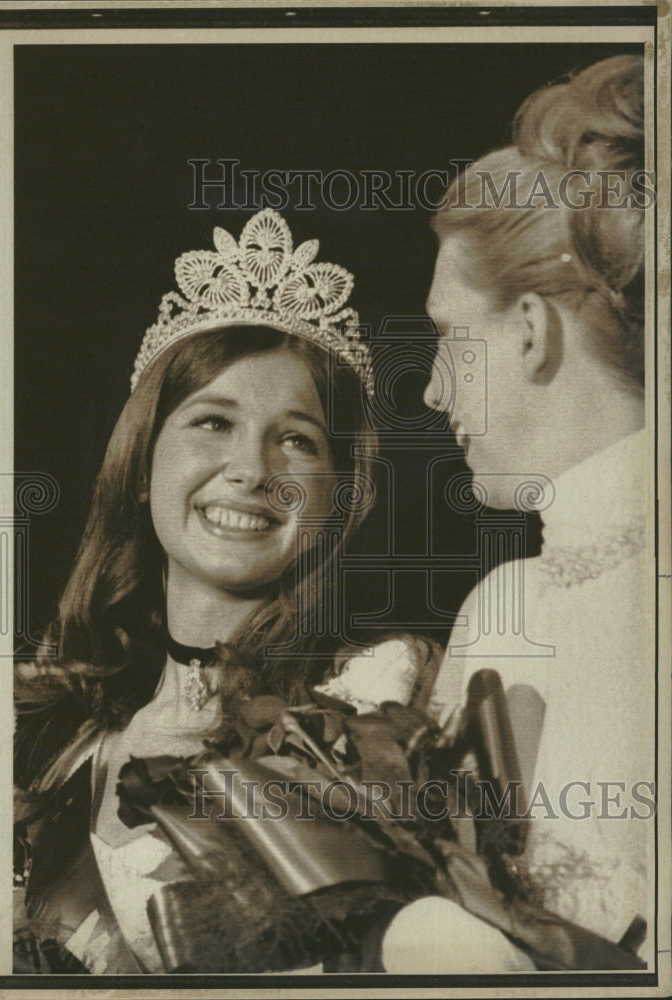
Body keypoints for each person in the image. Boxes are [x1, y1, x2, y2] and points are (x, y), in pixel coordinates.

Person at [13, 208, 438, 974]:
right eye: (213, 422)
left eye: (298, 439)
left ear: (338, 499)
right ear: (142, 468)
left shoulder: (371, 708)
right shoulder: (46, 729)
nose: (253, 469)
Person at [381, 55, 653, 972]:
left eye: (452, 338)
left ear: (532, 330)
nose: (429, 390)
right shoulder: (518, 594)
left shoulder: (517, 607)